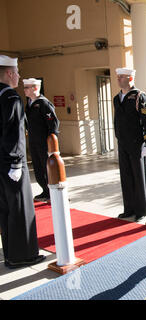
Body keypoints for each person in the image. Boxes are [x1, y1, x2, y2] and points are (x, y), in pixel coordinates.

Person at [0, 55, 45, 268]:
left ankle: (9, 253)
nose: (18, 76)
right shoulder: (11, 98)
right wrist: (17, 162)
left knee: (5, 210)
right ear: (9, 73)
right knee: (21, 209)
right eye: (16, 72)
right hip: (11, 164)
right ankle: (24, 255)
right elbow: (15, 134)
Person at [113, 67, 146, 222]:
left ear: (130, 79)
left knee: (138, 177)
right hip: (123, 143)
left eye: (121, 77)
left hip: (137, 143)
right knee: (126, 177)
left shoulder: (139, 96)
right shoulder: (117, 98)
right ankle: (128, 209)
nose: (118, 79)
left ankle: (140, 211)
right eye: (118, 77)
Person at [23, 78, 59, 202]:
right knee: (38, 167)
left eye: (27, 87)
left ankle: (52, 190)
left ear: (35, 88)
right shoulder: (29, 103)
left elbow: (53, 123)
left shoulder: (43, 103)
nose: (25, 90)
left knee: (46, 166)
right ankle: (45, 189)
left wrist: (51, 140)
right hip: (33, 140)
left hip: (44, 141)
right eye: (25, 87)